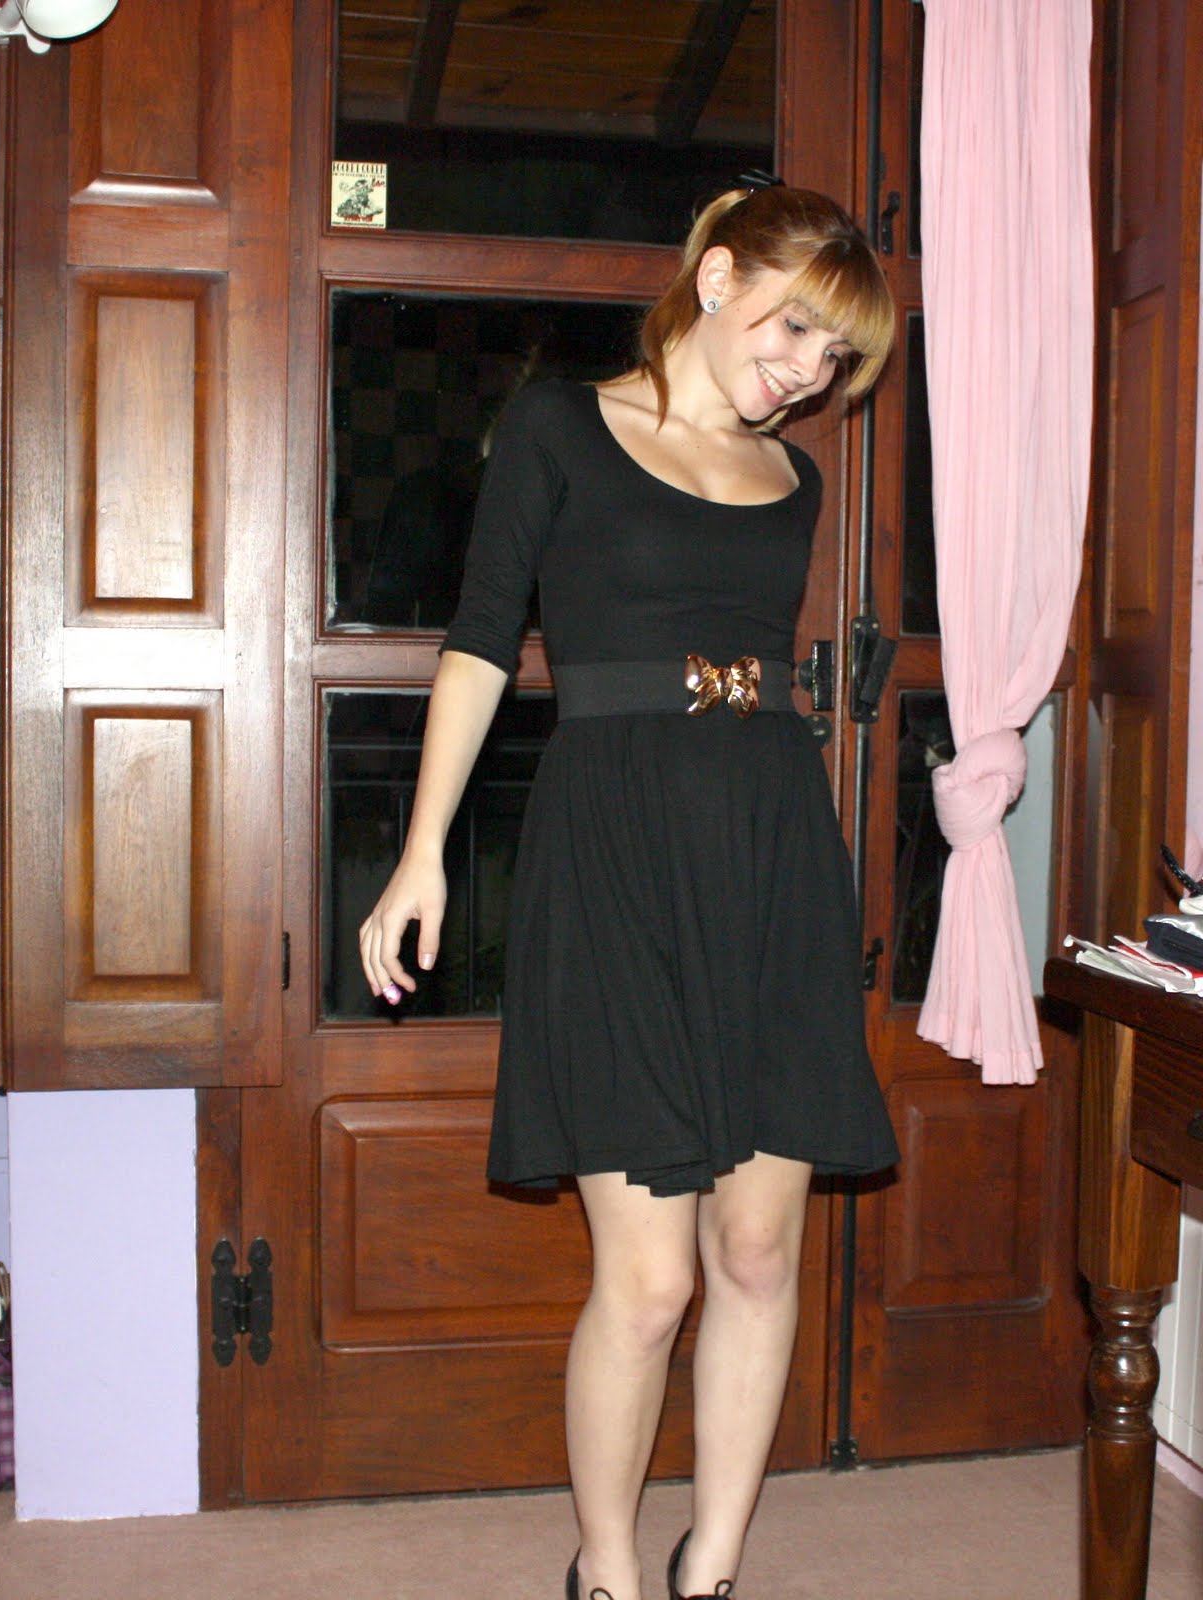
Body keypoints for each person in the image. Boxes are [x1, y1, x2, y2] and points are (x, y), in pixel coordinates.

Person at [359, 176, 900, 1600]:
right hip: (612, 850)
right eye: (795, 328)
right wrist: (421, 852)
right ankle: (604, 1567)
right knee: (652, 1281)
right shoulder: (558, 427)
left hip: (770, 848)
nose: (810, 372)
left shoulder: (798, 483)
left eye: (836, 354)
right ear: (716, 278)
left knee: (760, 1249)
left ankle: (711, 1564)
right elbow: (483, 640)